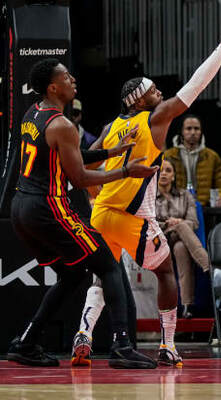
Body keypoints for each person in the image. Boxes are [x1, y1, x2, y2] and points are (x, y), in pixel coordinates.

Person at [70, 11, 221, 367]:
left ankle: (84, 334)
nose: (160, 92)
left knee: (103, 277)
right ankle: (168, 344)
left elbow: (84, 163)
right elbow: (195, 86)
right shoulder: (154, 117)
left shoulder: (109, 127)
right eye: (153, 90)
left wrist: (95, 195)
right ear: (139, 100)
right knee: (165, 272)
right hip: (134, 216)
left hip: (101, 212)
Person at [8, 58, 158, 369]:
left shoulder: (32, 113)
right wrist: (126, 170)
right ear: (53, 87)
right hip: (48, 206)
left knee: (73, 274)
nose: (73, 79)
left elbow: (72, 156)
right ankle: (122, 346)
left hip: (21, 207)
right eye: (66, 76)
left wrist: (111, 152)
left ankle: (26, 343)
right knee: (108, 265)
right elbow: (79, 178)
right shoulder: (62, 125)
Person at [156, 159, 209, 318]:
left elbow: (194, 222)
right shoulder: (149, 196)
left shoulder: (185, 195)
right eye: (161, 170)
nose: (164, 174)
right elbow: (149, 222)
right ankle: (206, 263)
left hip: (181, 238)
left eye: (168, 170)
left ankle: (186, 306)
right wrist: (169, 224)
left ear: (173, 176)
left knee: (180, 248)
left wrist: (179, 223)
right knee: (180, 226)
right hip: (159, 238)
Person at [164, 114, 221, 207]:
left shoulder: (212, 156)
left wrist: (220, 197)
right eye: (188, 128)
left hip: (204, 208)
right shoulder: (169, 156)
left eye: (196, 129)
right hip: (176, 207)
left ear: (201, 131)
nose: (193, 132)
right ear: (181, 131)